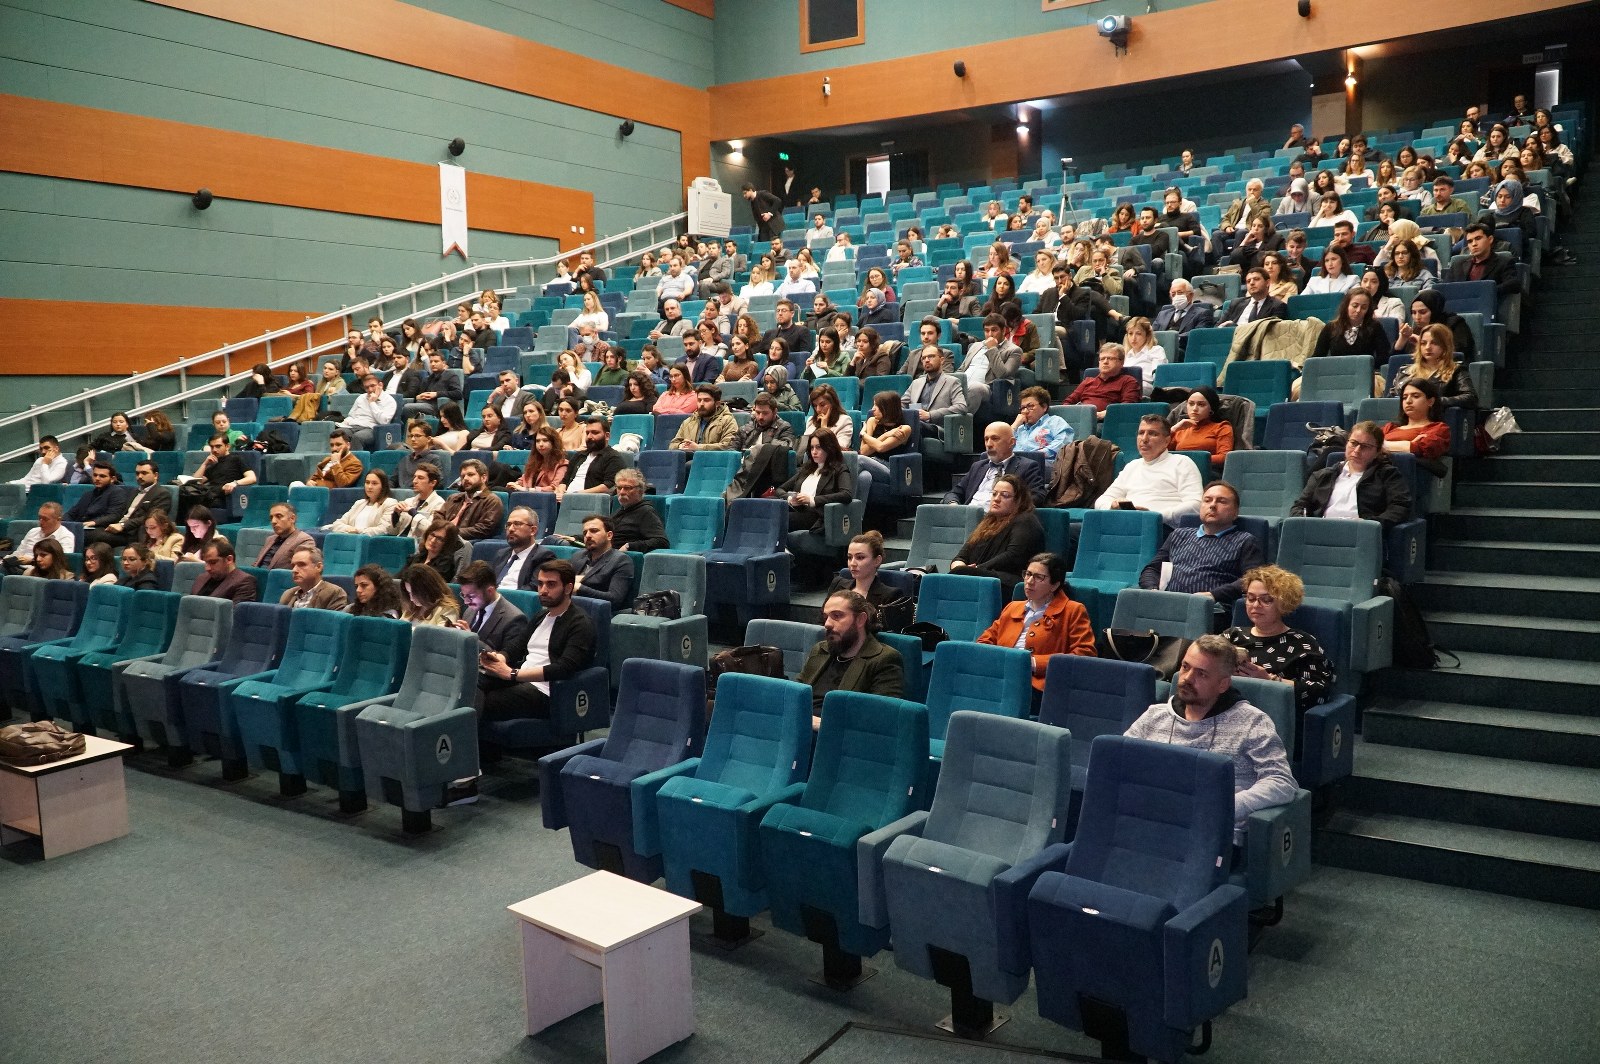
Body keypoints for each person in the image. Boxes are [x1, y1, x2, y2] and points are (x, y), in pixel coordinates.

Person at [1124, 636, 1298, 843]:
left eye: (1202, 674)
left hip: (1208, 835)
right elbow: (1119, 762)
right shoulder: (1155, 715)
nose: (1187, 678)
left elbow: (1281, 781)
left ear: (1223, 684)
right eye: (1185, 667)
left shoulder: (1252, 722)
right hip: (1149, 823)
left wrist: (1222, 806)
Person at [1224, 566, 1336, 757]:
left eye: (1266, 599)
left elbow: (1320, 691)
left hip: (1272, 721)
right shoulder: (1232, 635)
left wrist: (1270, 680)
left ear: (1283, 603)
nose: (1255, 605)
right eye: (1250, 598)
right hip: (1226, 713)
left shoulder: (1302, 643)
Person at [477, 560, 596, 733]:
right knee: (474, 683)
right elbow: (517, 646)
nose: (543, 590)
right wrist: (499, 658)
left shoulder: (580, 623)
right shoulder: (542, 615)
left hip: (547, 691)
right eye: (540, 584)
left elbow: (564, 668)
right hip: (521, 678)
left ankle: (468, 744)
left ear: (568, 588)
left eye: (551, 584)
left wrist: (513, 674)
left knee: (487, 701)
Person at [1138, 481, 1264, 617]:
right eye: (1207, 500)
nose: (1212, 505)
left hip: (1211, 610)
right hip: (1169, 606)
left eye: (1221, 501)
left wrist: (1213, 595)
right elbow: (1152, 569)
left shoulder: (1245, 540)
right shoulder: (1178, 534)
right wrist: (1153, 590)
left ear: (1235, 513)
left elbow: (1252, 579)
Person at [978, 552, 1095, 695]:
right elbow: (984, 641)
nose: (1029, 581)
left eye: (1039, 577)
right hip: (1000, 676)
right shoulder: (1012, 607)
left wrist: (1034, 664)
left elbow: (1084, 654)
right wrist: (999, 661)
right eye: (1028, 574)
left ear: (1055, 585)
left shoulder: (1073, 610)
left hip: (1041, 687)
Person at [795, 590, 905, 726]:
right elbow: (796, 693)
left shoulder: (884, 659)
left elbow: (882, 717)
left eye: (836, 616)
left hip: (837, 734)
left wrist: (822, 724)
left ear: (860, 620)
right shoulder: (820, 650)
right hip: (799, 727)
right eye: (826, 617)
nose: (827, 624)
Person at [1291, 420, 1412, 529]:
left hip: (1360, 533)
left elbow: (1400, 507)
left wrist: (1371, 524)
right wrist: (1304, 524)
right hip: (1322, 530)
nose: (1357, 450)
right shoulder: (1323, 475)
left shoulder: (1388, 475)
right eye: (1353, 443)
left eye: (1365, 446)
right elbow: (1299, 506)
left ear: (1377, 452)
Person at [948, 473, 1045, 595]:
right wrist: (959, 566)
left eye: (1005, 495)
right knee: (952, 575)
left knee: (959, 575)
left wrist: (975, 569)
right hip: (981, 575)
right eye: (994, 494)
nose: (997, 499)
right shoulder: (987, 522)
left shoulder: (1026, 520)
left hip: (1009, 580)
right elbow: (962, 555)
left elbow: (1013, 555)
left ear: (1019, 500)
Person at [1094, 414, 1204, 521]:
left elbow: (1195, 504)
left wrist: (1155, 516)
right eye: (1141, 433)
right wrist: (1112, 507)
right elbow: (1102, 500)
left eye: (1152, 434)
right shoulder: (1132, 466)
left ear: (1167, 441)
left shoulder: (1182, 463)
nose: (1144, 439)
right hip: (1128, 522)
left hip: (1163, 526)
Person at [781, 433, 854, 584]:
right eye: (812, 448)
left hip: (817, 516)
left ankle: (782, 553)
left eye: (819, 447)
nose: (814, 452)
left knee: (780, 519)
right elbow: (780, 489)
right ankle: (782, 553)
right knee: (771, 515)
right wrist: (791, 498)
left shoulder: (839, 469)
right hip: (797, 511)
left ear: (829, 448)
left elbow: (846, 494)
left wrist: (813, 500)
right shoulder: (807, 469)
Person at [723, 393, 799, 504]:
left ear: (775, 412)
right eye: (758, 412)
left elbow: (787, 445)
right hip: (742, 469)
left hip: (765, 473)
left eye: (765, 413)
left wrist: (759, 448)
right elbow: (732, 449)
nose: (760, 417)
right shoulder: (746, 428)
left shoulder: (784, 427)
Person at [1388, 324, 1478, 410]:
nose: (1428, 347)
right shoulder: (1405, 371)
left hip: (1434, 417)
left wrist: (1433, 401)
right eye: (1423, 343)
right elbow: (1389, 400)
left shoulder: (1456, 370)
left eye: (1434, 343)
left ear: (1445, 346)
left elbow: (1470, 398)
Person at [176, 433, 255, 515]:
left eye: (218, 446)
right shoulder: (213, 463)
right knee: (182, 493)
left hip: (222, 496)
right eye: (212, 447)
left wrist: (235, 483)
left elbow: (252, 478)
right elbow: (197, 481)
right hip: (209, 494)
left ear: (227, 446)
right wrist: (205, 464)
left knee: (189, 497)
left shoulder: (236, 459)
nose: (214, 450)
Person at [1384, 378, 1452, 467]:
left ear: (1430, 401)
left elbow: (1421, 448)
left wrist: (1382, 445)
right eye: (1404, 398)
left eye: (1415, 396)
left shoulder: (1438, 429)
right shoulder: (1390, 428)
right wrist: (1408, 444)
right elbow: (1369, 444)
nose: (1408, 401)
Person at [825, 531, 901, 610]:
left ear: (877, 561)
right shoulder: (837, 584)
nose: (852, 563)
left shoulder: (890, 596)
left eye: (860, 557)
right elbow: (824, 615)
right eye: (850, 557)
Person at [854, 391, 913, 492]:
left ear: (887, 408)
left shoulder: (904, 429)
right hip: (870, 463)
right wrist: (886, 435)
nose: (873, 409)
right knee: (864, 477)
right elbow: (864, 451)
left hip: (889, 468)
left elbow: (881, 447)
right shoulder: (872, 421)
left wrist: (863, 434)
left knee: (858, 459)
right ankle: (855, 503)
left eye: (876, 406)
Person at [570, 515, 633, 608]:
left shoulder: (621, 561)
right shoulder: (578, 555)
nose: (587, 536)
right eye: (585, 532)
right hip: (570, 608)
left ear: (609, 535)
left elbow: (615, 599)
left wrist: (579, 588)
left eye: (594, 531)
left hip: (596, 611)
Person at [1066, 343, 1142, 420]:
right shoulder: (1087, 381)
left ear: (1121, 362)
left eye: (1110, 358)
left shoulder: (1128, 381)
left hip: (1108, 421)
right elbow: (1068, 403)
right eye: (1102, 359)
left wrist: (1101, 415)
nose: (1105, 362)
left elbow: (1127, 407)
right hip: (1080, 419)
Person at [436, 458, 504, 540]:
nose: (465, 479)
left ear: (483, 478)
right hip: (444, 539)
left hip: (466, 542)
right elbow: (438, 516)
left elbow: (484, 528)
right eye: (463, 476)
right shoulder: (453, 498)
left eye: (470, 475)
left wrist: (450, 533)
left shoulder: (492, 500)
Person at [1447, 223, 1521, 298]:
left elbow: (1513, 284)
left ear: (1490, 239)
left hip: (1489, 303)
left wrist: (1485, 292)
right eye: (1470, 241)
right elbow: (1445, 289)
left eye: (1478, 238)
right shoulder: (1457, 265)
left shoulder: (1504, 261)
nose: (1474, 244)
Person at [557, 418, 625, 500]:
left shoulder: (613, 457)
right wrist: (561, 489)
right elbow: (565, 481)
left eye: (595, 433)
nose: (589, 437)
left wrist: (575, 495)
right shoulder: (579, 455)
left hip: (590, 501)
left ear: (607, 436)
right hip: (565, 499)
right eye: (587, 433)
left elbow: (609, 487)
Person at [1170, 386, 1234, 469]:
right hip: (1178, 470)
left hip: (1207, 470)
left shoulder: (1222, 427)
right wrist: (1173, 429)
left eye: (1201, 404)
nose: (1195, 409)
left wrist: (1192, 460)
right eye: (1191, 404)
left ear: (1211, 408)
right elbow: (1159, 452)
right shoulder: (1181, 428)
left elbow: (1224, 457)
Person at [609, 469, 668, 553]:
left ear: (640, 490)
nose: (621, 492)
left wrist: (629, 546)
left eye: (627, 488)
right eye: (619, 488)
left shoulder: (646, 512)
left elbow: (661, 542)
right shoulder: (619, 511)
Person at [65, 460, 132, 534]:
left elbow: (113, 516)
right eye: (95, 475)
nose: (97, 478)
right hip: (82, 527)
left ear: (112, 479)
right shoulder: (88, 494)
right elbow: (71, 513)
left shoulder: (117, 493)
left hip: (102, 529)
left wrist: (94, 522)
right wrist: (64, 524)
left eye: (102, 476)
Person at [326, 470, 400, 535]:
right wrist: (349, 529)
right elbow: (337, 524)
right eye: (367, 482)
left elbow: (384, 529)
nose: (369, 487)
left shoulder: (390, 503)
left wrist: (358, 531)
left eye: (374, 483)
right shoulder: (359, 503)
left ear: (383, 486)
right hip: (351, 540)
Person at [668, 384, 738, 451]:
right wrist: (680, 446)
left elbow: (728, 446)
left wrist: (698, 447)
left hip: (713, 459)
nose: (701, 404)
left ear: (717, 404)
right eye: (699, 400)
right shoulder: (688, 422)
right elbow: (673, 445)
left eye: (706, 400)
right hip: (688, 457)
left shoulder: (728, 421)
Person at [1011, 386, 1072, 460]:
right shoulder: (1019, 429)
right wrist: (1015, 425)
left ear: (1044, 407)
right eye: (1022, 408)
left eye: (1030, 406)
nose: (1025, 411)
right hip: (1018, 463)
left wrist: (1035, 456)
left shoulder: (1055, 421)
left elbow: (1062, 444)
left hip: (1044, 463)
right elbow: (1003, 446)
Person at [279, 546, 349, 611]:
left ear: (318, 567)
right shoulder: (288, 594)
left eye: (302, 564)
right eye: (293, 566)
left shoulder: (334, 593)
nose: (294, 570)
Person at [190, 538, 258, 604]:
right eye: (206, 563)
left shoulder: (244, 581)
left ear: (229, 559)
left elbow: (236, 611)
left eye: (213, 562)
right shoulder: (201, 578)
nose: (207, 568)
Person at [1218, 268, 1289, 328]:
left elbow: (1270, 332)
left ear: (1267, 283)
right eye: (1248, 281)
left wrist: (1235, 327)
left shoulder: (1277, 306)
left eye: (1256, 279)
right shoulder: (1236, 303)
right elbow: (1217, 327)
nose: (1251, 283)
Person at [254, 502, 315, 570]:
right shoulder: (270, 539)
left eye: (279, 516)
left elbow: (302, 570)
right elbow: (256, 563)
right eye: (271, 517)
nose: (273, 521)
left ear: (292, 518)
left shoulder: (304, 540)